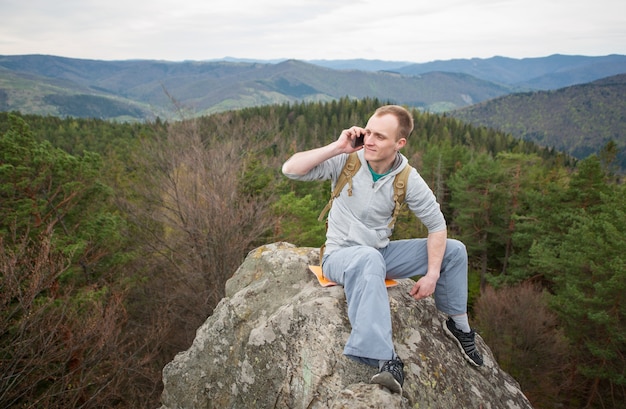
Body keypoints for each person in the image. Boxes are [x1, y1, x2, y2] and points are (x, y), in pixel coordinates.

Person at [281, 105, 483, 394]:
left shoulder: (407, 178)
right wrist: (338, 146)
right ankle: (386, 359)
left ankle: (459, 326)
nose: (371, 141)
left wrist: (433, 274)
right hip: (340, 256)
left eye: (380, 137)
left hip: (379, 255)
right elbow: (290, 169)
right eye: (369, 132)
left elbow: (437, 226)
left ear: (399, 143)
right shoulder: (346, 160)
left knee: (454, 250)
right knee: (368, 258)